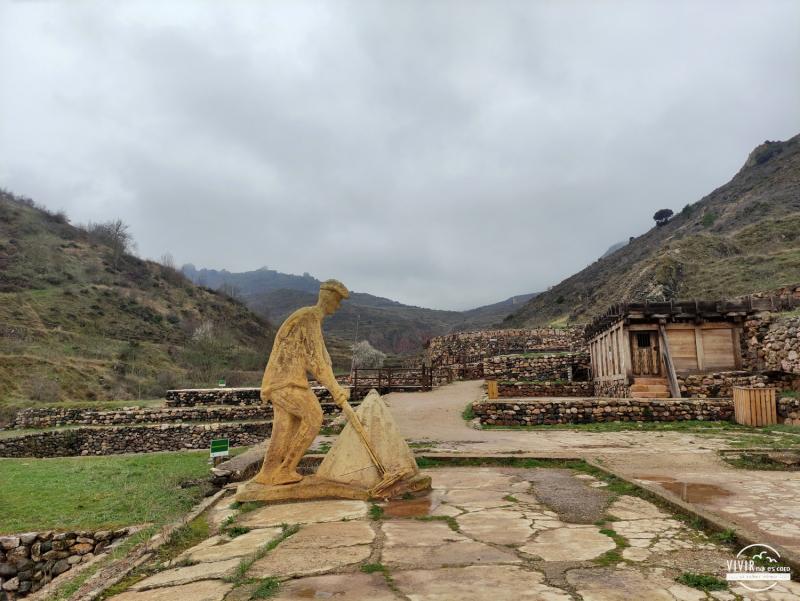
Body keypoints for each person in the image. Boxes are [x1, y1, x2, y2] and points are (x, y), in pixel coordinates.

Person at [252, 279, 350, 485]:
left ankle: (268, 473)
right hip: (286, 382)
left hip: (278, 382)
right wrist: (335, 390)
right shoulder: (309, 317)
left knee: (285, 427)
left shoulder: (311, 318)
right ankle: (285, 470)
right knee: (314, 417)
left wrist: (336, 388)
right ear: (329, 298)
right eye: (338, 300)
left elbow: (324, 360)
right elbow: (316, 364)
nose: (338, 306)